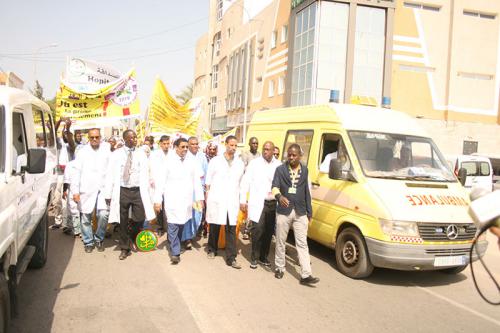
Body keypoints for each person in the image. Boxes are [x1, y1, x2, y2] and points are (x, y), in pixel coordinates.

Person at [104, 130, 156, 260]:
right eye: (131, 138)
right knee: (122, 220)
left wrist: (151, 191)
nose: (134, 140)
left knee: (139, 218)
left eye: (135, 137)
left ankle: (131, 236)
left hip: (138, 190)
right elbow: (110, 174)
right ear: (125, 139)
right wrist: (108, 193)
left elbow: (147, 172)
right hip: (122, 190)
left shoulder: (141, 153)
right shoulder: (116, 154)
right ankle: (124, 248)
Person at [272, 143, 319, 285]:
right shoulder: (280, 170)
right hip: (284, 211)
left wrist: (309, 212)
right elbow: (274, 187)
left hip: (300, 211)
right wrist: (280, 197)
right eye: (289, 155)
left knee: (302, 243)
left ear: (300, 156)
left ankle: (306, 275)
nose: (291, 157)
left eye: (294, 155)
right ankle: (279, 267)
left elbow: (307, 192)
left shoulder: (305, 170)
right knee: (280, 240)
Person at [154, 138, 204, 264]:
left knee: (182, 223)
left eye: (187, 147)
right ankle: (175, 252)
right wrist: (157, 200)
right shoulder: (167, 162)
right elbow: (160, 183)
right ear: (175, 147)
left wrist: (200, 198)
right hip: (172, 199)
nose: (185, 149)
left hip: (186, 200)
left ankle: (177, 243)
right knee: (172, 225)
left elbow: (197, 182)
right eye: (183, 147)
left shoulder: (191, 162)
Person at [205, 135, 245, 269]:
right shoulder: (215, 161)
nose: (233, 148)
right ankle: (211, 249)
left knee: (231, 228)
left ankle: (231, 258)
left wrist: (241, 200)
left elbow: (241, 183)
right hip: (217, 198)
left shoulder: (239, 163)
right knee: (215, 225)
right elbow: (208, 180)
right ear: (225, 144)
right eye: (231, 145)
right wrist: (207, 197)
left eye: (235, 146)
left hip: (232, 200)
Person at [240, 141, 281, 269]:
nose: (265, 151)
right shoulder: (254, 164)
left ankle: (264, 256)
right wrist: (243, 200)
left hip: (273, 203)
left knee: (268, 232)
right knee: (257, 231)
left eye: (268, 149)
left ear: (273, 151)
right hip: (259, 202)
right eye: (264, 149)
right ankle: (254, 257)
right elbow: (245, 181)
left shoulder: (279, 165)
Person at [72, 128, 110, 253]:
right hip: (86, 189)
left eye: (97, 137)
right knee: (85, 217)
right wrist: (75, 191)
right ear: (88, 138)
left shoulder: (106, 150)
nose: (94, 139)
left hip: (102, 189)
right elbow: (76, 172)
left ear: (100, 138)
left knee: (104, 215)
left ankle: (99, 238)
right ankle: (88, 241)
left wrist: (111, 189)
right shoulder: (82, 152)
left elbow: (111, 171)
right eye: (92, 137)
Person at [182, 136, 208, 249]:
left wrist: (206, 190)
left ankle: (191, 234)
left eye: (196, 144)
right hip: (187, 191)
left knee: (197, 215)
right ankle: (186, 238)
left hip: (198, 191)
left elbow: (206, 174)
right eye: (192, 144)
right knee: (187, 214)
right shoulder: (184, 156)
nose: (195, 146)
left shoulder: (202, 157)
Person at [240, 137, 261, 240]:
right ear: (249, 144)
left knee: (255, 208)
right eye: (253, 143)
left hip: (257, 185)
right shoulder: (245, 154)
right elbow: (243, 169)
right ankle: (247, 230)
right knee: (248, 208)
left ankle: (254, 229)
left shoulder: (259, 155)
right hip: (248, 184)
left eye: (257, 143)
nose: (255, 145)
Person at [150, 135, 171, 236]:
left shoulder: (172, 154)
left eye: (168, 143)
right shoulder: (154, 154)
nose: (166, 146)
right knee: (158, 205)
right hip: (157, 182)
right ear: (160, 144)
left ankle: (168, 225)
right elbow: (151, 168)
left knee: (168, 204)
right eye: (164, 144)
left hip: (169, 183)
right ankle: (160, 227)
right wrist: (151, 179)